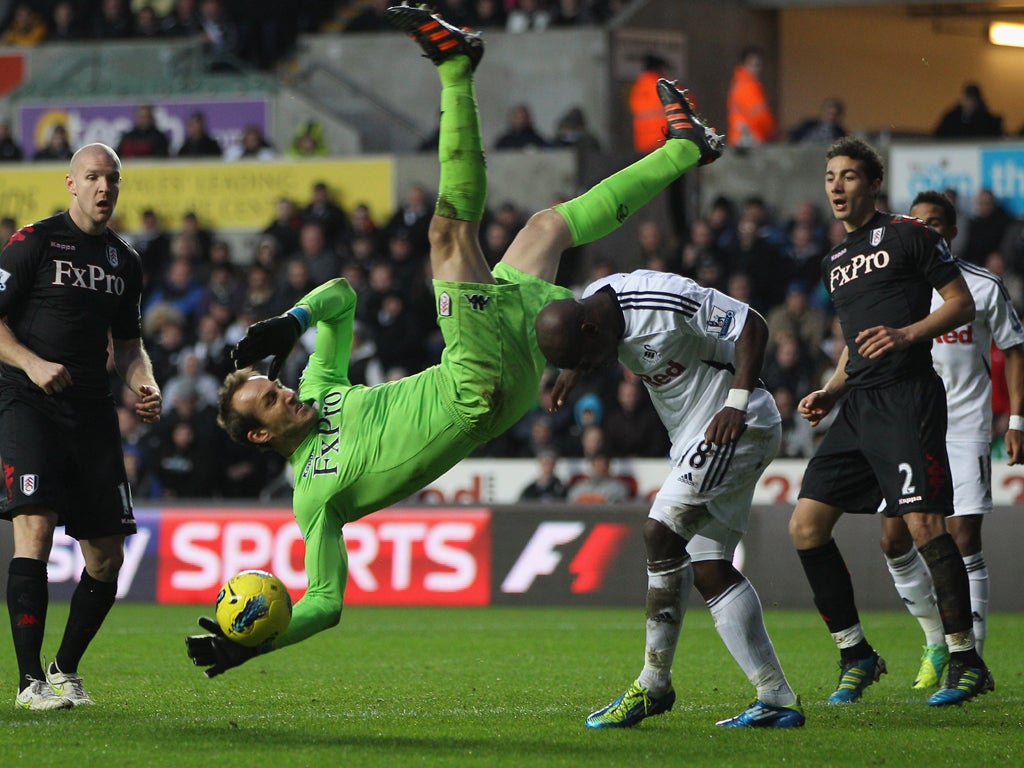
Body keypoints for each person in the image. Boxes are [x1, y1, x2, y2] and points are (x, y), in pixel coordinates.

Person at [184, 3, 723, 678]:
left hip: (496, 376)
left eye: (274, 382)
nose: (285, 389)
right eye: (269, 400)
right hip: (474, 389)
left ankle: (686, 147)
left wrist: (292, 322)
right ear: (259, 436)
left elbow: (342, 299)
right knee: (447, 235)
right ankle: (456, 67)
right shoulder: (313, 499)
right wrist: (257, 642)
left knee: (547, 228)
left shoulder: (321, 389)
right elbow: (324, 600)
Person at [535, 266, 803, 725]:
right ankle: (776, 698)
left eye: (588, 356)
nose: (595, 365)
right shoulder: (592, 308)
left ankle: (653, 684)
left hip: (735, 423)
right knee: (710, 567)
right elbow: (585, 347)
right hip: (691, 437)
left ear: (591, 328)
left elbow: (752, 325)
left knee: (660, 532)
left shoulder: (663, 302)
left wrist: (734, 404)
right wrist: (572, 370)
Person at [789, 136, 989, 707]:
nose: (836, 186)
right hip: (858, 406)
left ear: (873, 184)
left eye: (849, 176)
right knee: (805, 527)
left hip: (907, 396)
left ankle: (965, 658)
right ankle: (856, 653)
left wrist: (905, 334)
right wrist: (831, 390)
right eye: (830, 176)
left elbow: (959, 304)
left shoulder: (910, 234)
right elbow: (855, 345)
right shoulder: (835, 260)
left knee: (925, 526)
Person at [0, 143, 162, 709]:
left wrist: (147, 382)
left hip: (92, 412)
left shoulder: (125, 260)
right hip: (28, 401)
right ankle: (28, 684)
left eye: (112, 179)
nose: (103, 188)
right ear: (71, 184)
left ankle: (64, 669)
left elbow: (130, 346)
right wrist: (31, 362)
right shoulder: (34, 242)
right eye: (92, 177)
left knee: (107, 557)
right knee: (36, 530)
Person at [878, 190, 1024, 690]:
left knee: (963, 538)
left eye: (936, 224)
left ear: (953, 232)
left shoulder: (982, 287)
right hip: (909, 425)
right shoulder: (897, 287)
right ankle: (937, 641)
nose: (928, 231)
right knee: (893, 539)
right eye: (919, 224)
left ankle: (972, 664)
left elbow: (1015, 347)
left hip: (964, 428)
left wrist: (1017, 421)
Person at [726, 46, 778, 147]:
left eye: (758, 65)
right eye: (753, 65)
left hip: (741, 138)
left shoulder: (739, 83)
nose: (755, 69)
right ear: (744, 65)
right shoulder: (748, 86)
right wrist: (773, 132)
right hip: (750, 139)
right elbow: (760, 116)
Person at [933, 83, 1003, 139]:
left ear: (978, 102)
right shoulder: (951, 118)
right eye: (968, 99)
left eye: (973, 100)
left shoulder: (987, 120)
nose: (970, 103)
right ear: (963, 100)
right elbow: (938, 136)